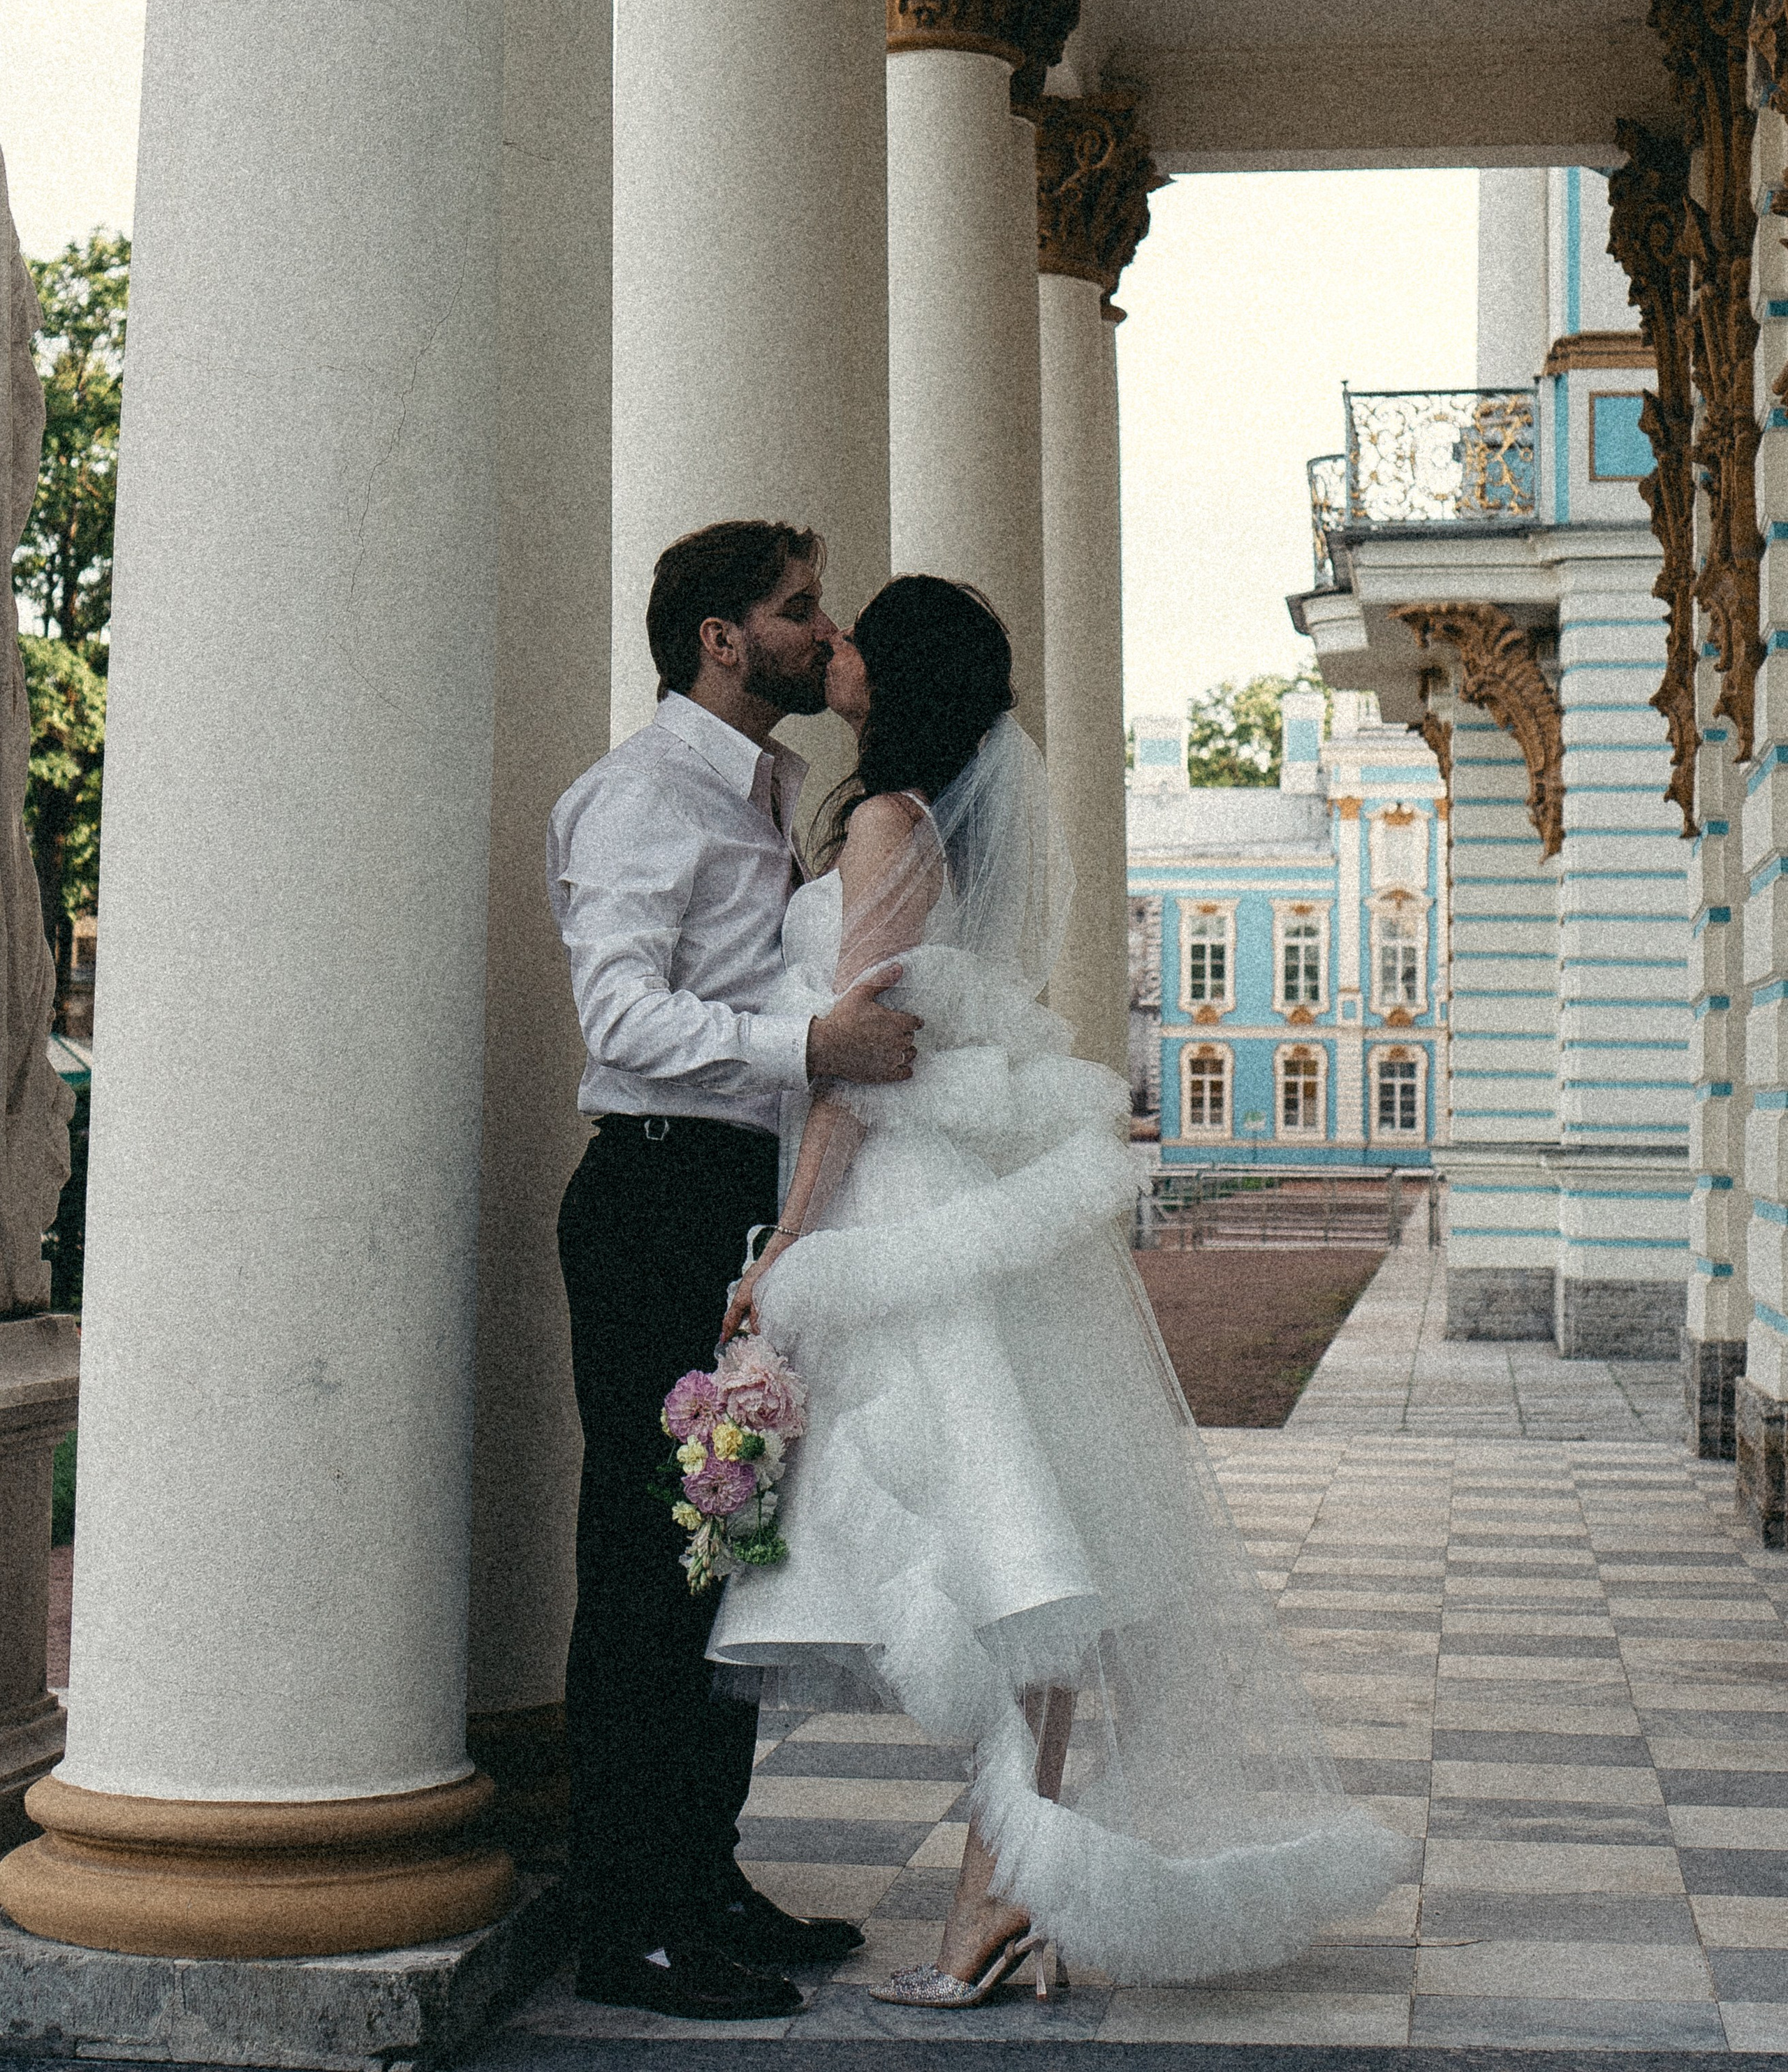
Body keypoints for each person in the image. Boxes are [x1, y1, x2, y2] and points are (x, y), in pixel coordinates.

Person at [709, 575, 1411, 2006]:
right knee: (1015, 1555)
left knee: (1004, 1553)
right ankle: (1007, 1891)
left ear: (889, 674)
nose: (829, 647)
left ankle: (999, 1896)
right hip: (944, 1205)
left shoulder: (890, 823)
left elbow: (860, 1056)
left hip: (899, 1209)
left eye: (849, 637)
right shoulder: (908, 818)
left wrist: (789, 1246)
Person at [548, 520, 923, 2020]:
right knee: (645, 1568)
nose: (819, 633)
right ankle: (624, 1926)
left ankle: (698, 1876)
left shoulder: (760, 786)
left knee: (719, 1554)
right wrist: (807, 1045)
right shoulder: (640, 798)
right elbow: (617, 1018)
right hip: (650, 1194)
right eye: (795, 611)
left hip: (729, 1201)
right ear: (718, 636)